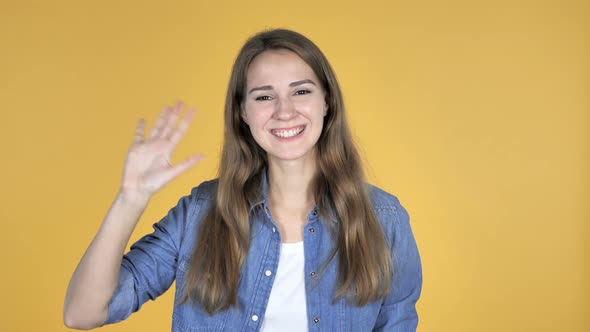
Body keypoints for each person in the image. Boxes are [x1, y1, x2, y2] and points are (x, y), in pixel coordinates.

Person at [63, 28, 422, 331]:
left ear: (326, 101)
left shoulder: (384, 219)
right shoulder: (200, 214)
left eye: (301, 91)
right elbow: (83, 313)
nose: (284, 111)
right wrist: (131, 199)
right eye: (264, 96)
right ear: (243, 113)